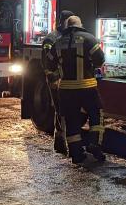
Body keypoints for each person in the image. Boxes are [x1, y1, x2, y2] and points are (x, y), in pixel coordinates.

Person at [47, 15, 106, 165]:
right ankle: (94, 143)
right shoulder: (89, 38)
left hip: (66, 90)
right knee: (96, 114)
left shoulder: (58, 42)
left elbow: (49, 63)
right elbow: (100, 59)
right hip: (87, 87)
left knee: (72, 121)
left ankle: (76, 154)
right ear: (80, 25)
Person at [42, 10, 75, 155]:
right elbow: (47, 62)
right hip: (57, 81)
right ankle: (60, 142)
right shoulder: (51, 39)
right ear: (61, 21)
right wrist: (54, 79)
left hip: (66, 81)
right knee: (61, 111)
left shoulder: (68, 36)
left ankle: (62, 141)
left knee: (64, 110)